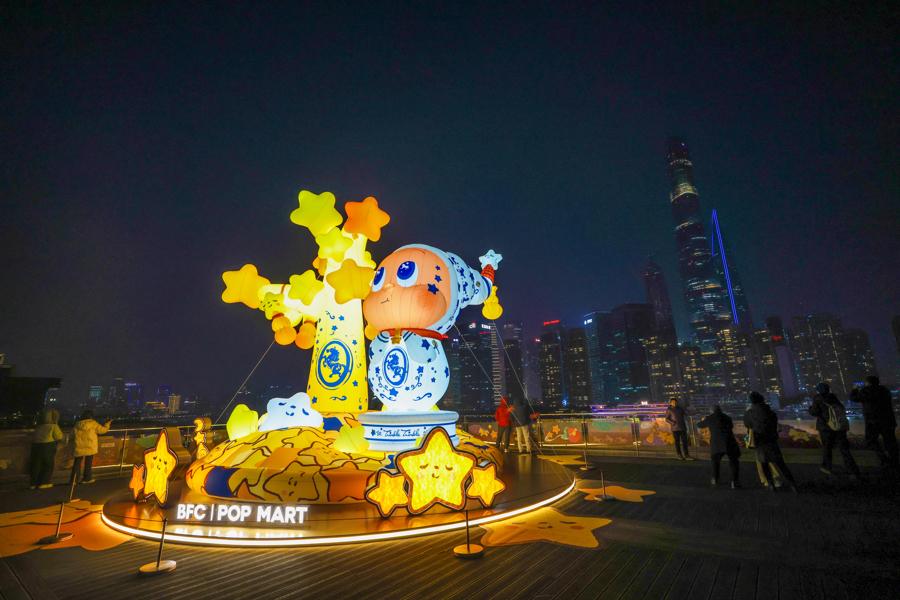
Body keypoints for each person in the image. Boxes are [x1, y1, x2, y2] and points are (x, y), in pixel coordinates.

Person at [743, 391, 798, 492]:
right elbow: (774, 424)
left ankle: (771, 485)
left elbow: (747, 424)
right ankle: (793, 484)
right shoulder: (770, 412)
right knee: (781, 464)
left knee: (764, 464)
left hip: (760, 442)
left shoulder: (750, 413)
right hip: (771, 441)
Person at [809, 382, 861, 478]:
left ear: (818, 390)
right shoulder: (833, 397)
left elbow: (814, 412)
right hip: (839, 427)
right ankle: (853, 470)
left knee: (827, 448)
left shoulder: (818, 398)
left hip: (826, 428)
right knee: (844, 449)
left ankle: (827, 467)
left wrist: (810, 409)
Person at [851, 375, 898, 469]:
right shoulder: (884, 390)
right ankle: (895, 461)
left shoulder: (866, 391)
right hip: (888, 420)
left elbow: (854, 398)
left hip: (873, 421)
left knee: (871, 440)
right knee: (890, 441)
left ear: (868, 383)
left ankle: (884, 459)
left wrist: (855, 389)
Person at [697, 405, 741, 488]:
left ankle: (715, 479)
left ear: (711, 411)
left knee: (715, 462)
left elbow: (699, 425)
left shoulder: (710, 418)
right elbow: (731, 426)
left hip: (716, 444)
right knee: (733, 462)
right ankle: (734, 482)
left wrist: (704, 419)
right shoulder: (727, 417)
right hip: (729, 442)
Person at [70, 410, 111, 484]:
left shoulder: (77, 424)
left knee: (77, 463)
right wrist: (107, 424)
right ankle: (87, 478)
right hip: (90, 447)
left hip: (79, 447)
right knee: (88, 463)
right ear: (91, 416)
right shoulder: (93, 423)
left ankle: (74, 480)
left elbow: (72, 435)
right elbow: (102, 430)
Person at [30, 409, 64, 489]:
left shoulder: (39, 426)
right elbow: (59, 437)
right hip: (47, 446)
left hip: (36, 446)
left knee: (36, 465)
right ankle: (44, 482)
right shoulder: (53, 426)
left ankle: (33, 483)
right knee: (48, 465)